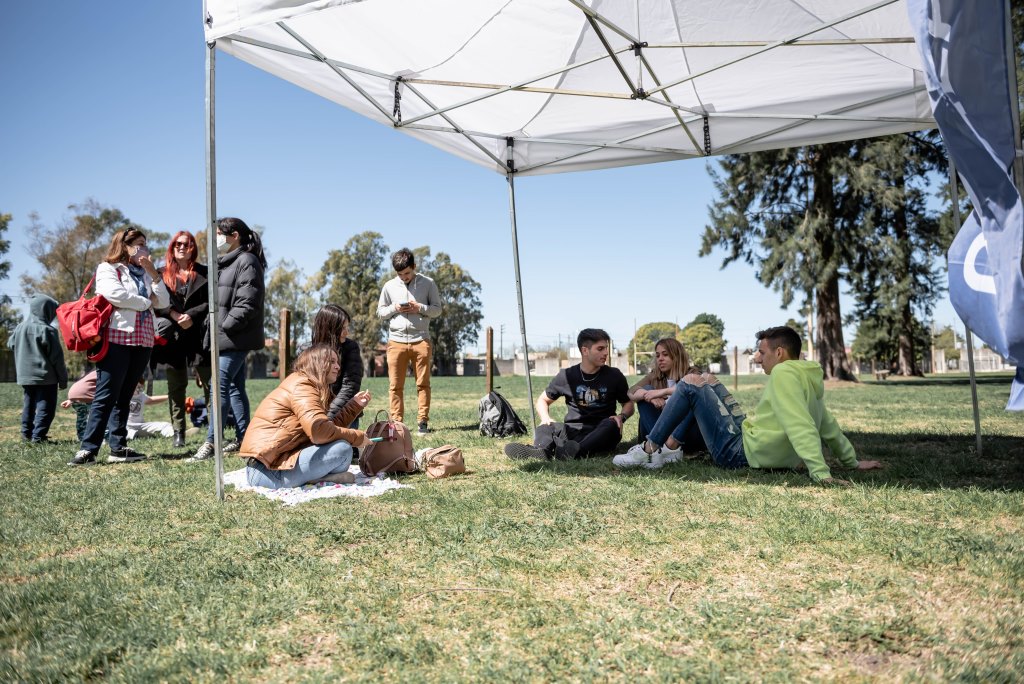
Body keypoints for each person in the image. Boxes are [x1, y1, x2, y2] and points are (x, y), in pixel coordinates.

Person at [613, 325, 883, 485]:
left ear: (779, 353)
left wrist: (820, 473)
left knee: (689, 384)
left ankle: (649, 449)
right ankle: (665, 450)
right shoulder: (806, 375)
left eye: (762, 353)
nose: (757, 358)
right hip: (747, 437)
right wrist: (851, 461)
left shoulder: (783, 373)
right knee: (705, 379)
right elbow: (826, 424)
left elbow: (801, 424)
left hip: (739, 453)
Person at [69, 228, 170, 466]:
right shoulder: (108, 268)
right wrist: (146, 303)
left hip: (144, 340)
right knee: (106, 394)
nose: (144, 248)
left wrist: (154, 275)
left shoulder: (147, 274)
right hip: (117, 337)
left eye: (145, 244)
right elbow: (115, 294)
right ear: (124, 246)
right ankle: (88, 449)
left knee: (125, 395)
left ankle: (118, 446)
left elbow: (164, 301)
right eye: (139, 244)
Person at [239, 345, 373, 489]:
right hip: (266, 473)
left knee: (339, 446)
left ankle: (318, 478)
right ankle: (318, 478)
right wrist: (357, 437)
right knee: (342, 450)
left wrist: (354, 406)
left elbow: (327, 428)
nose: (338, 367)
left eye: (337, 362)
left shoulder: (306, 384)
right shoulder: (302, 386)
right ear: (318, 363)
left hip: (272, 465)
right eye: (332, 362)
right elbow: (319, 432)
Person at [190, 217, 266, 462]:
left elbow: (248, 301)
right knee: (234, 387)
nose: (215, 240)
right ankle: (245, 438)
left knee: (218, 386)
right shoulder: (225, 263)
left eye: (219, 234)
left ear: (234, 236)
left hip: (235, 336)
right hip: (225, 336)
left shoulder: (247, 261)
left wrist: (226, 325)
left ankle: (212, 442)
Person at [504, 328, 634, 460]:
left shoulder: (614, 375)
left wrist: (621, 417)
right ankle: (541, 451)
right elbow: (542, 400)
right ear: (585, 350)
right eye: (600, 349)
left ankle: (577, 451)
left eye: (606, 348)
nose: (606, 353)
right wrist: (545, 418)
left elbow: (628, 403)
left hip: (602, 432)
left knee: (611, 423)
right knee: (546, 427)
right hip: (572, 432)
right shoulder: (566, 375)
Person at [153, 231, 211, 448]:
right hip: (173, 338)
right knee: (176, 386)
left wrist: (192, 316)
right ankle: (179, 431)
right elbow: (156, 304)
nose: (181, 247)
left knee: (210, 385)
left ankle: (212, 433)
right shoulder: (160, 274)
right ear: (172, 247)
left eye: (186, 244)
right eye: (177, 244)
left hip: (200, 337)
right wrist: (175, 316)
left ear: (192, 248)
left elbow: (211, 303)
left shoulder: (205, 273)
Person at [376, 248, 442, 435]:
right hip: (395, 341)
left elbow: (437, 309)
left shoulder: (428, 284)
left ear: (414, 267)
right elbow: (380, 312)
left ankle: (423, 422)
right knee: (395, 386)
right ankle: (397, 424)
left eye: (407, 273)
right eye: (400, 274)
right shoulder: (389, 286)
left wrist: (419, 308)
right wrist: (395, 308)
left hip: (421, 340)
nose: (404, 277)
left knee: (423, 384)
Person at [628, 337, 705, 453]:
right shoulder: (655, 375)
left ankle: (667, 446)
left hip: (684, 436)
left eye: (665, 354)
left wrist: (661, 392)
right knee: (645, 390)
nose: (660, 359)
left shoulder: (692, 373)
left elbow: (693, 387)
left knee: (691, 395)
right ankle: (659, 446)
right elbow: (631, 391)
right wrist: (648, 396)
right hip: (659, 435)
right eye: (658, 355)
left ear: (677, 355)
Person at [11, 294, 68, 444]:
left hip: (26, 376)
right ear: (46, 311)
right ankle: (38, 437)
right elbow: (57, 359)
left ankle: (26, 435)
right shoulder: (47, 330)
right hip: (46, 378)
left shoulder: (19, 328)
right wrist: (63, 379)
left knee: (28, 406)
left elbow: (10, 344)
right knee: (46, 408)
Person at [310, 304, 364, 423]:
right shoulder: (307, 351)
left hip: (344, 415)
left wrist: (328, 419)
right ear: (330, 328)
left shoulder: (351, 348)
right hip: (313, 416)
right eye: (343, 328)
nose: (347, 332)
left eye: (347, 327)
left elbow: (350, 387)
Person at [61, 370, 97, 441]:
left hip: (74, 393)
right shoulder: (105, 372)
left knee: (82, 418)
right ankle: (105, 438)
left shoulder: (91, 372)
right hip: (87, 395)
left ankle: (82, 438)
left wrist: (71, 399)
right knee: (98, 417)